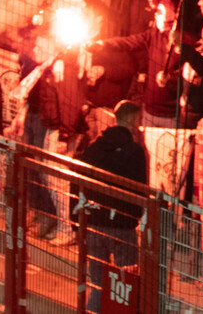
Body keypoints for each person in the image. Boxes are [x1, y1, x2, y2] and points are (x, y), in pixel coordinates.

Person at [76, 100, 149, 314]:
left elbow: (79, 182)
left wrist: (77, 221)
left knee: (98, 283)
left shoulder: (95, 146)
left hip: (95, 223)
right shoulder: (135, 151)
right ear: (135, 120)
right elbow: (139, 189)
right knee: (124, 283)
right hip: (122, 226)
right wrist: (134, 217)